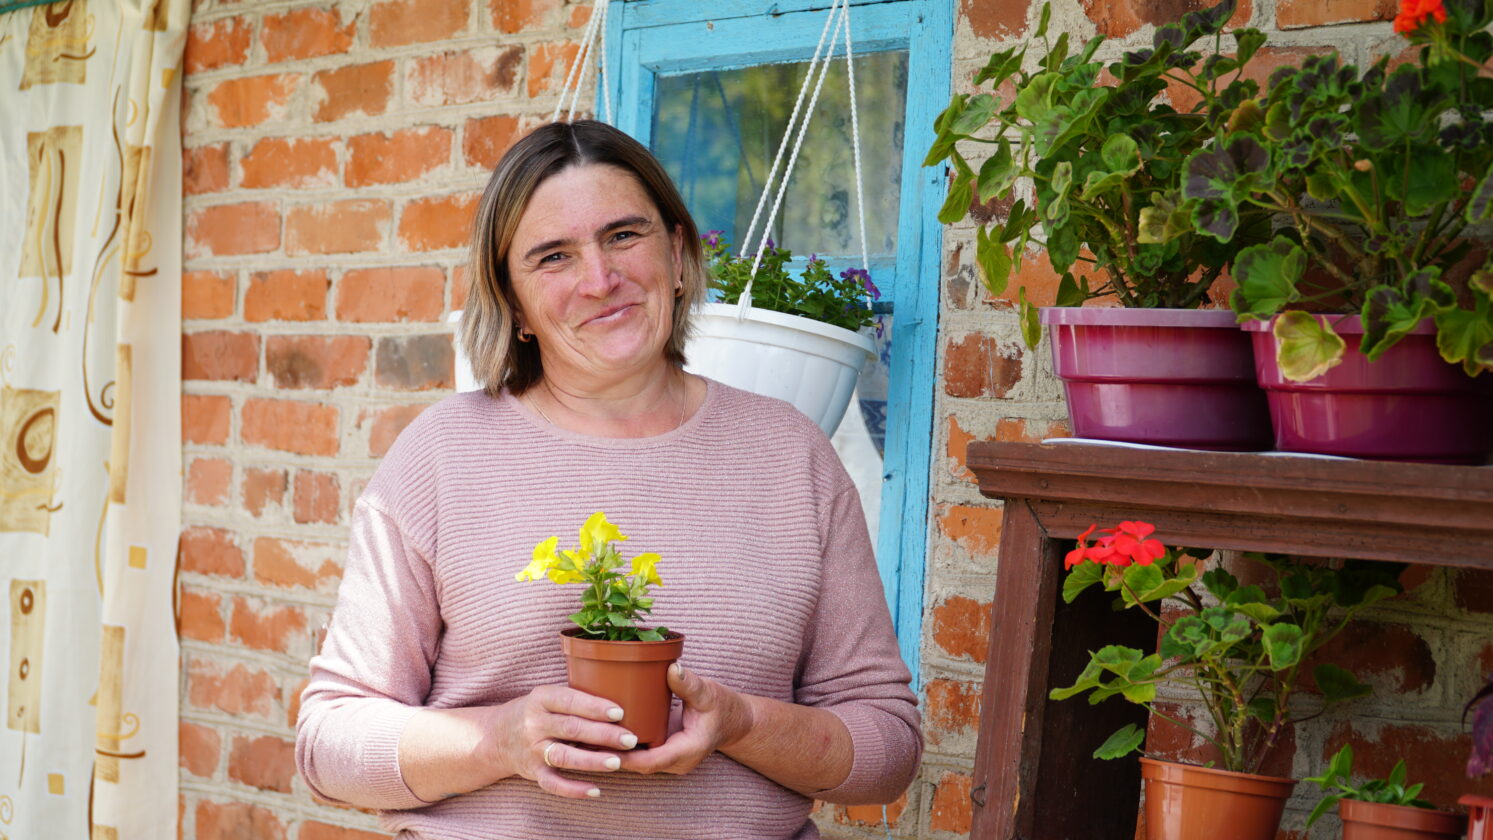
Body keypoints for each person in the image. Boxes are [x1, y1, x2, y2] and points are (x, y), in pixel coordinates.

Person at [294, 119, 921, 840]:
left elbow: (888, 749)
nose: (599, 280)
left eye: (623, 236)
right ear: (514, 303)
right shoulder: (440, 456)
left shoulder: (789, 454)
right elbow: (329, 744)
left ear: (677, 255)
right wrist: (499, 740)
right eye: (553, 257)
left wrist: (742, 723)